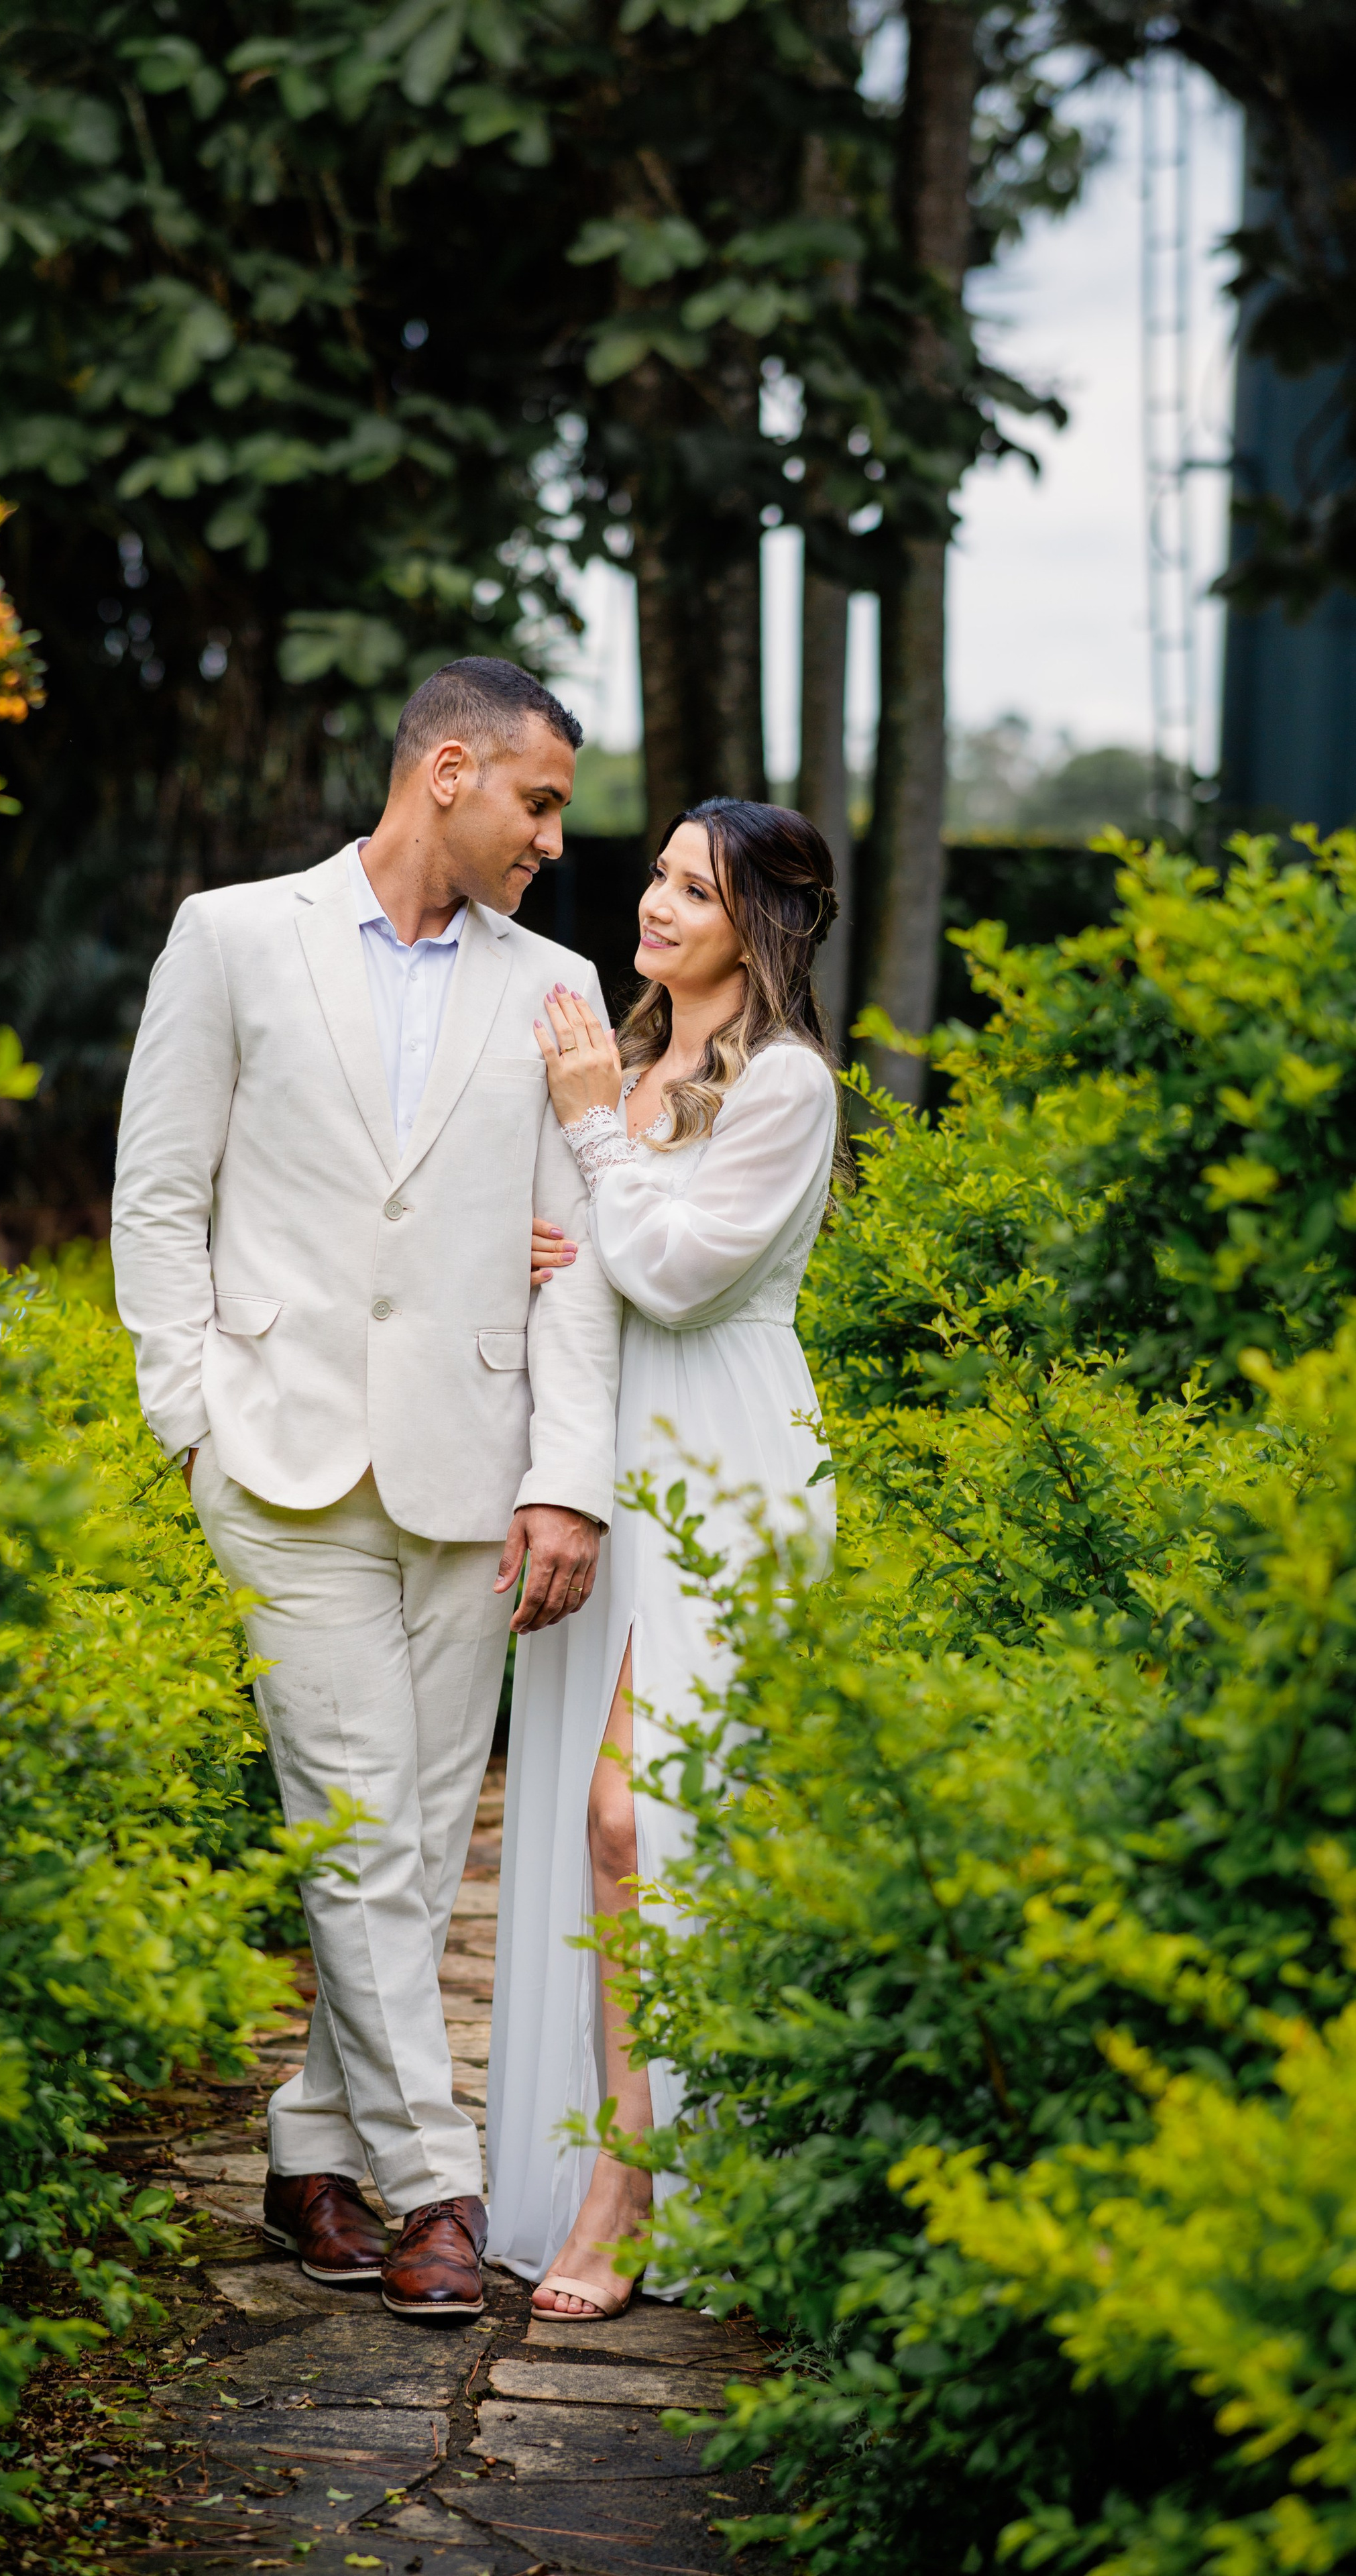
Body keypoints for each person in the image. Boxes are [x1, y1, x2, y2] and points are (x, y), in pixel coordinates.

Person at [110, 658, 620, 2323]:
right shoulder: (233, 935)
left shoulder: (556, 984)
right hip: (279, 1455)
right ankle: (436, 2181)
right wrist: (189, 1416)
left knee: (399, 1837)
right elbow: (158, 1194)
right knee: (351, 1815)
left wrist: (561, 1481)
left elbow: (573, 1268)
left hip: (471, 1475)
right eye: (538, 800)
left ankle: (305, 2153)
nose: (554, 836)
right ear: (451, 771)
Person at [485, 797, 842, 2320]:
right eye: (657, 875)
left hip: (725, 1458)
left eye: (693, 890)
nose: (653, 903)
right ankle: (615, 2163)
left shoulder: (784, 1087)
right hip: (603, 1460)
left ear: (758, 922)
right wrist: (536, 1249)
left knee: (639, 1822)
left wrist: (587, 1153)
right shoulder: (624, 1067)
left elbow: (684, 1281)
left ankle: (634, 2188)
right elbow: (600, 1259)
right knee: (602, 1825)